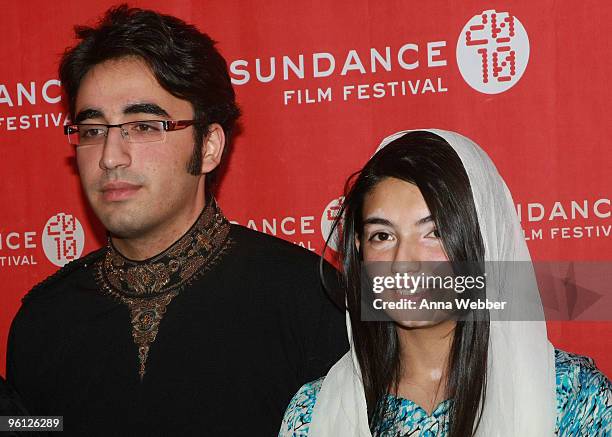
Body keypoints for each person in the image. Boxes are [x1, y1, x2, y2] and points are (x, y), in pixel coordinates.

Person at [6, 5, 347, 436]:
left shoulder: (308, 299)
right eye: (92, 130)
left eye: (144, 126)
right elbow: (35, 429)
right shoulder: (43, 320)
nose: (110, 157)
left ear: (208, 146)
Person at [279, 130, 611, 436]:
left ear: (482, 242)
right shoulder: (315, 412)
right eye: (382, 236)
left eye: (433, 233)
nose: (403, 263)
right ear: (358, 249)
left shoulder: (572, 399)